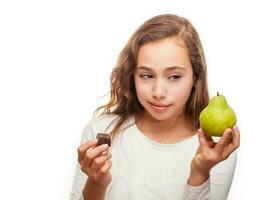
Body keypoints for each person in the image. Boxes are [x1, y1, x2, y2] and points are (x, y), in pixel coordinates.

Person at [70, 14, 240, 200]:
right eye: (147, 76)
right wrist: (96, 182)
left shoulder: (215, 150)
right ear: (132, 76)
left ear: (195, 78)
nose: (158, 92)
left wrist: (200, 172)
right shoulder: (101, 130)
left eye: (174, 77)